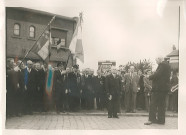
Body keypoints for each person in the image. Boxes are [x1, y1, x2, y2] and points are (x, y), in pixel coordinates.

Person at [144, 57, 171, 125]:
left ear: (159, 59)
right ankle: (161, 120)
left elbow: (157, 74)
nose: (156, 62)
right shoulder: (167, 65)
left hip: (158, 89)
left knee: (153, 104)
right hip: (163, 89)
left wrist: (149, 77)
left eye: (156, 61)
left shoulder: (162, 64)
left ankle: (151, 119)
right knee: (161, 105)